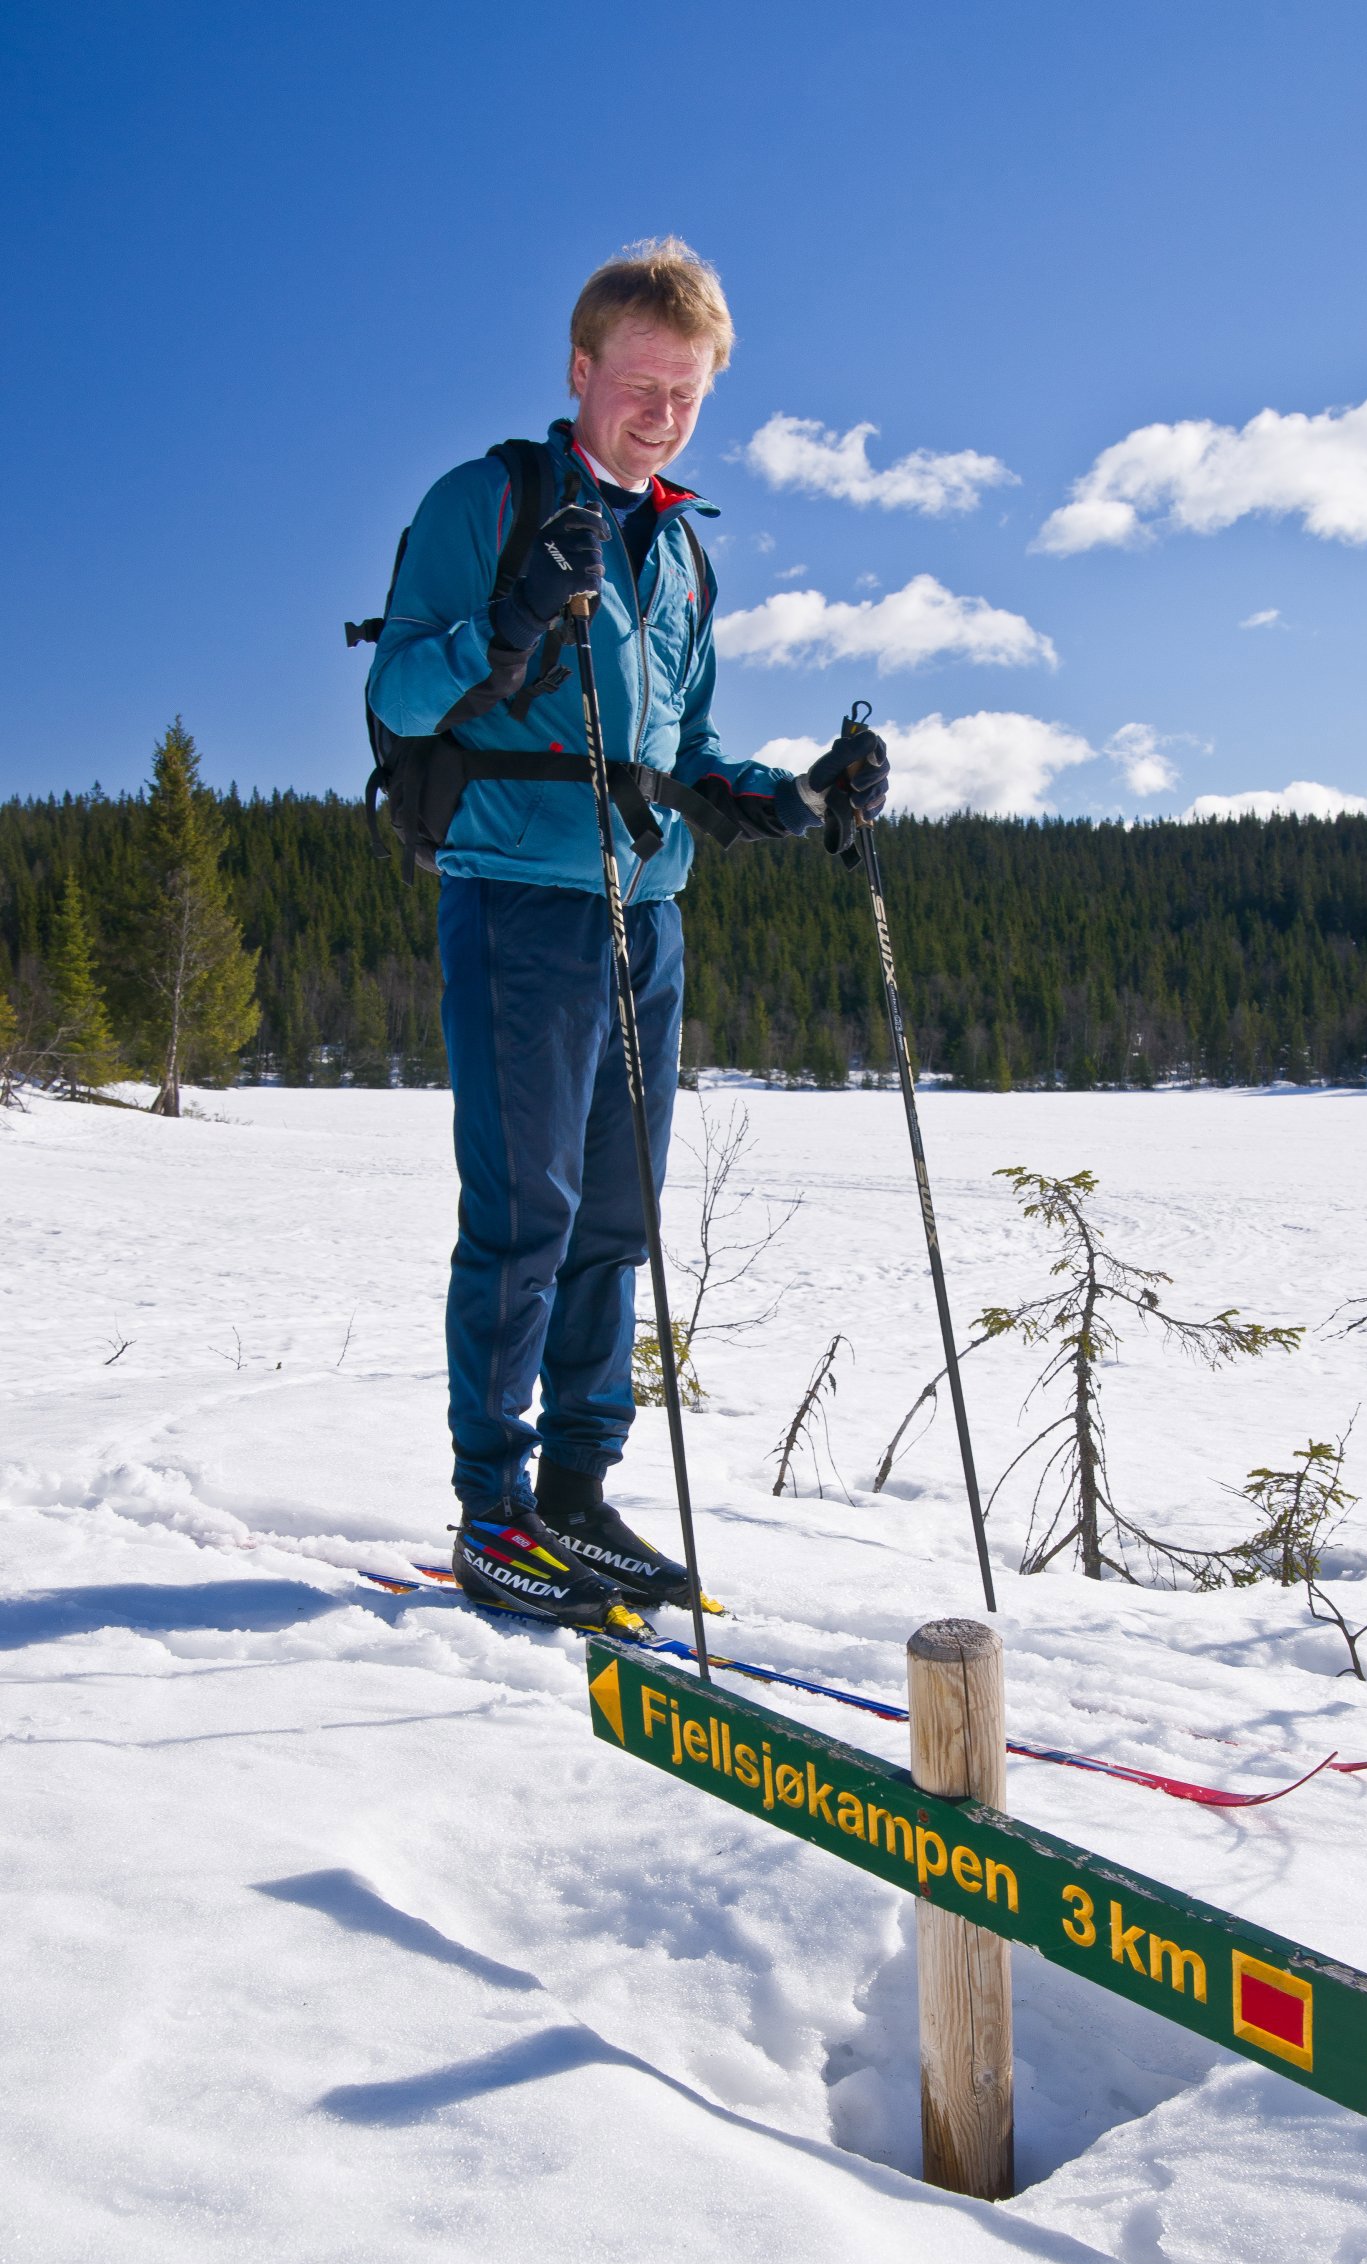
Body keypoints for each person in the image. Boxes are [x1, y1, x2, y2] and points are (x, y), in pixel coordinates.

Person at [369, 238, 889, 1627]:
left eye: (688, 392)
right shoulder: (489, 500)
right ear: (581, 368)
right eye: (640, 383)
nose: (662, 413)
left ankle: (579, 1493)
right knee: (524, 1215)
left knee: (615, 1221)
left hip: (645, 915)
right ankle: (494, 1510)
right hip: (518, 899)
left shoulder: (680, 553)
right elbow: (402, 694)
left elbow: (688, 752)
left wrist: (800, 796)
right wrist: (511, 621)